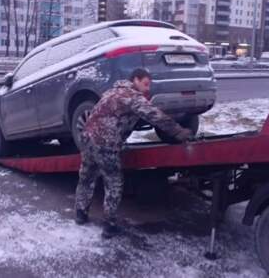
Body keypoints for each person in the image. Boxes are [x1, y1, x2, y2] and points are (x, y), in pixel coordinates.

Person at [74, 68, 193, 238]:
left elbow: (110, 117)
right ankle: (109, 225)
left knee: (86, 177)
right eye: (145, 84)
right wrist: (178, 131)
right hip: (105, 143)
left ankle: (80, 214)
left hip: (87, 139)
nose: (147, 89)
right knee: (113, 181)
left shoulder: (112, 92)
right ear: (135, 80)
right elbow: (154, 115)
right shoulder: (131, 95)